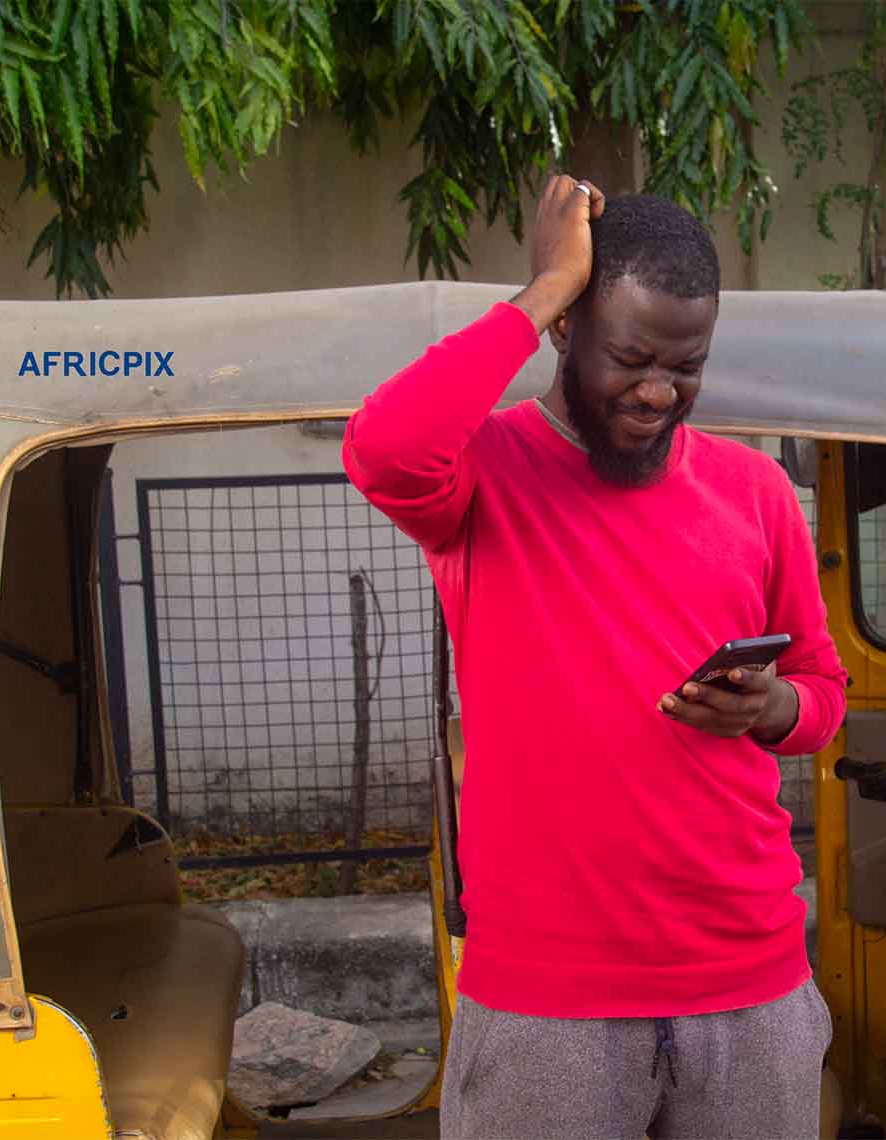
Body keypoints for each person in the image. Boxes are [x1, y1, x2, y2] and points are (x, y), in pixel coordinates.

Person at [343, 175, 849, 1139]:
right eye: (631, 356)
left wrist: (770, 708)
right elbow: (383, 449)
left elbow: (822, 694)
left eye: (686, 365)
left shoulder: (756, 492)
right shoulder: (481, 477)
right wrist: (544, 284)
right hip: (547, 1001)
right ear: (566, 331)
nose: (659, 391)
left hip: (750, 984)